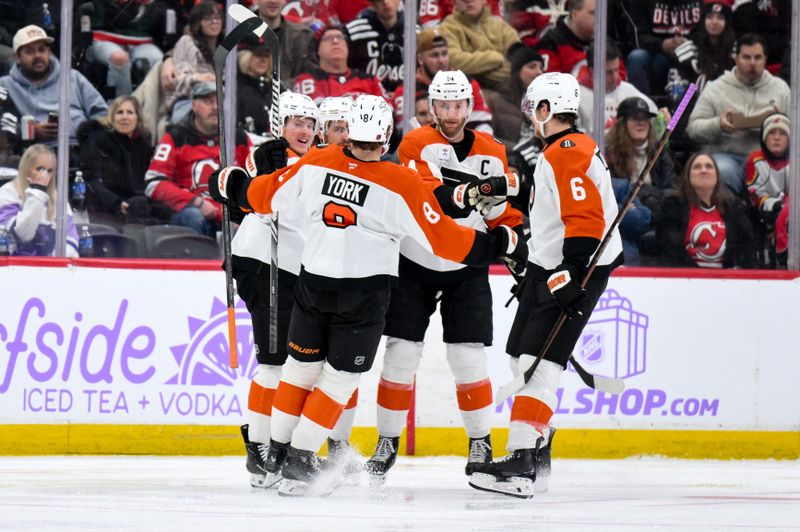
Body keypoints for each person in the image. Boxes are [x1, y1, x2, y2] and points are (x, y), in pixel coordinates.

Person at [209, 94, 527, 496]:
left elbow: (261, 197)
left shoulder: (315, 162)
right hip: (362, 296)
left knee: (298, 370)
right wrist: (503, 242)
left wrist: (229, 182)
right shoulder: (401, 182)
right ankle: (301, 458)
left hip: (311, 285)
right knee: (340, 380)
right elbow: (446, 242)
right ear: (387, 136)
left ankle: (276, 450)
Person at [365, 70, 527, 485]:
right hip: (415, 260)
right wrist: (475, 193)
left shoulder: (493, 150)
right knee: (401, 353)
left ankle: (480, 442)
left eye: (458, 106)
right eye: (444, 106)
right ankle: (386, 441)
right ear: (432, 107)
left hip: (467, 264)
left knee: (467, 356)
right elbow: (432, 198)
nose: (451, 114)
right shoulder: (416, 143)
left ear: (470, 107)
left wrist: (513, 240)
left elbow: (499, 212)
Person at [468, 72, 623, 499]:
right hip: (549, 266)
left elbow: (587, 219)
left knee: (541, 362)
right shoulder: (560, 150)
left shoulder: (567, 152)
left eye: (534, 111)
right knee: (521, 354)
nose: (531, 121)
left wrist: (573, 271)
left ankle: (520, 460)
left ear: (545, 110)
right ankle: (537, 446)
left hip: (575, 269)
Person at [685, 33, 790, 197]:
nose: (752, 63)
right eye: (747, 57)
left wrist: (779, 127)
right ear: (736, 58)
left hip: (768, 159)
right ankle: (727, 219)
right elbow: (693, 129)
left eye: (757, 57)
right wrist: (718, 124)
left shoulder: (781, 88)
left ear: (765, 59)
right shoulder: (715, 88)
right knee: (722, 169)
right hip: (727, 155)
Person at [144, 81, 251, 237]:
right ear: (193, 106)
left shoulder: (239, 138)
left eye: (219, 101)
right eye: (208, 102)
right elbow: (153, 183)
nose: (215, 107)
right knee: (193, 216)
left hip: (232, 219)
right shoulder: (176, 137)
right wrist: (195, 202)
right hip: (194, 217)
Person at [0, 25, 107, 149]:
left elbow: (102, 113)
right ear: (17, 57)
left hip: (81, 148)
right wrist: (31, 131)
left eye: (42, 49)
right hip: (35, 154)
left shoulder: (73, 77)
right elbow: (3, 126)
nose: (37, 56)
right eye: (30, 51)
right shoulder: (5, 85)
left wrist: (89, 138)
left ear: (49, 52)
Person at [77, 96, 169, 227]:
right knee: (138, 205)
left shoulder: (142, 144)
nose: (124, 117)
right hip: (108, 205)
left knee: (165, 208)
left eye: (130, 112)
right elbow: (91, 180)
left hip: (137, 201)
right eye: (120, 112)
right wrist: (116, 203)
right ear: (112, 117)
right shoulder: (97, 139)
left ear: (137, 118)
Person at [655, 152, 757, 268]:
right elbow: (669, 249)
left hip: (726, 281)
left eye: (709, 166)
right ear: (687, 176)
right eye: (697, 167)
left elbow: (747, 247)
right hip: (686, 279)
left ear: (717, 175)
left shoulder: (733, 207)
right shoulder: (673, 206)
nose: (704, 170)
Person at [392, 28, 493, 135]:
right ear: (420, 58)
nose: (441, 60)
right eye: (434, 55)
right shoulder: (406, 90)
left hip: (464, 147)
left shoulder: (468, 84)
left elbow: (483, 125)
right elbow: (403, 132)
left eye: (444, 54)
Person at [0, 143, 79, 256]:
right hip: (14, 267)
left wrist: (52, 263)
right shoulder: (7, 193)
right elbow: (24, 234)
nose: (44, 175)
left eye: (50, 171)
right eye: (40, 169)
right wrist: (38, 193)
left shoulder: (58, 199)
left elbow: (71, 238)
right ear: (26, 169)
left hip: (50, 268)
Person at [605, 97, 677, 217]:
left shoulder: (659, 152)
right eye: (635, 118)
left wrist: (647, 192)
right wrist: (647, 194)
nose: (641, 123)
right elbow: (615, 192)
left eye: (645, 119)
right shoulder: (610, 155)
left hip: (659, 211)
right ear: (622, 124)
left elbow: (672, 188)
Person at [576, 42, 659, 138]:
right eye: (608, 72)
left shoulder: (629, 91)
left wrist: (662, 117)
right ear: (592, 70)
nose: (615, 77)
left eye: (617, 70)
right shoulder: (576, 97)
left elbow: (654, 117)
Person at [619, 0, 703, 96]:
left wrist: (687, 44)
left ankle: (684, 107)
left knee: (681, 100)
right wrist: (661, 44)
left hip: (690, 53)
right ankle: (642, 106)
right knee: (637, 58)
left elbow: (707, 33)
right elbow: (637, 35)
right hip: (653, 50)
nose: (714, 21)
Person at [85, 0, 165, 98]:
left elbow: (161, 14)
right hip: (103, 38)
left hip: (141, 41)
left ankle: (150, 110)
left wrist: (148, 3)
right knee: (119, 58)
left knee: (159, 61)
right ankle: (120, 107)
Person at [438, 0, 521, 91]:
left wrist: (479, 70)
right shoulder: (447, 27)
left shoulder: (501, 26)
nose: (468, 1)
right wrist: (494, 58)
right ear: (454, 2)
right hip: (470, 90)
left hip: (510, 85)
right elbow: (454, 61)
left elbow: (519, 60)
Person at [292, 25, 385, 105]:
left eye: (340, 37)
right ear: (317, 51)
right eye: (327, 38)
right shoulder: (307, 80)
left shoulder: (370, 80)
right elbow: (320, 114)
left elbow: (387, 113)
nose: (335, 41)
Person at [744, 113, 790, 265]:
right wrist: (775, 204)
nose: (777, 137)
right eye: (771, 132)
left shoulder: (796, 159)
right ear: (764, 137)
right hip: (765, 211)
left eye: (782, 133)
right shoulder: (755, 160)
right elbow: (755, 195)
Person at [167, 1, 222, 124]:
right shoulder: (187, 42)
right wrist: (199, 78)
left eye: (218, 18)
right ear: (198, 22)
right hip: (188, 100)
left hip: (220, 102)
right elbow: (177, 80)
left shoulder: (225, 49)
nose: (214, 22)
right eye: (208, 18)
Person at [670, 0, 736, 97]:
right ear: (703, 20)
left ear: (727, 23)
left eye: (720, 18)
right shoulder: (687, 51)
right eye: (709, 17)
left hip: (727, 100)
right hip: (693, 99)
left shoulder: (736, 52)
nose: (714, 22)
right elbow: (675, 88)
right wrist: (680, 111)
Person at [486, 43, 544, 148]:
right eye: (532, 67)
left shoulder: (547, 102)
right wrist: (518, 152)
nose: (539, 72)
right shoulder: (496, 101)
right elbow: (489, 138)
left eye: (541, 68)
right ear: (517, 71)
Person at [345, 0, 404, 96]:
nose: (385, 2)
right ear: (371, 4)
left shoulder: (414, 32)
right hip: (366, 97)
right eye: (379, 0)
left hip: (406, 99)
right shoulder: (353, 32)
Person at [254, 0, 316, 85]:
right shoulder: (239, 33)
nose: (273, 1)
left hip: (291, 95)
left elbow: (311, 76)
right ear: (255, 1)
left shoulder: (303, 36)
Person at [535, 0, 595, 76]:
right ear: (575, 14)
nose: (600, 18)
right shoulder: (551, 43)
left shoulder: (605, 41)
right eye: (593, 13)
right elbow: (550, 83)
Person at [237, 40, 282, 138]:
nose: (263, 60)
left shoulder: (277, 86)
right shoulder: (235, 89)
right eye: (258, 55)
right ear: (244, 57)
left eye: (266, 56)